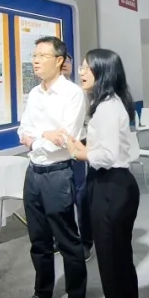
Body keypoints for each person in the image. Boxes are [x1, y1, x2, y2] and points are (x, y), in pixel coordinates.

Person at [65, 49, 143, 298]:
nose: (81, 72)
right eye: (82, 67)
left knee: (113, 267)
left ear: (103, 71)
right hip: (109, 185)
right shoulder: (106, 103)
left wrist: (78, 151)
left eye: (87, 67)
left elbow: (107, 155)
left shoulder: (109, 108)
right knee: (117, 264)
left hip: (112, 186)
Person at [15, 36, 87, 298]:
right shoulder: (34, 93)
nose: (35, 60)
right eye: (34, 55)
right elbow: (23, 131)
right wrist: (44, 136)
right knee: (38, 240)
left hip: (58, 174)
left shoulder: (73, 94)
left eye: (42, 55)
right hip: (33, 172)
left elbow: (66, 139)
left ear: (59, 61)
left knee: (67, 240)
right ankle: (42, 293)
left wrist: (37, 137)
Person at [63, 51, 95, 257]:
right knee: (62, 196)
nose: (65, 64)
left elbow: (89, 118)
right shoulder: (45, 93)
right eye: (62, 60)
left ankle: (86, 240)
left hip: (79, 144)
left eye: (68, 61)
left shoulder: (79, 91)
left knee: (81, 194)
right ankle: (66, 238)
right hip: (57, 149)